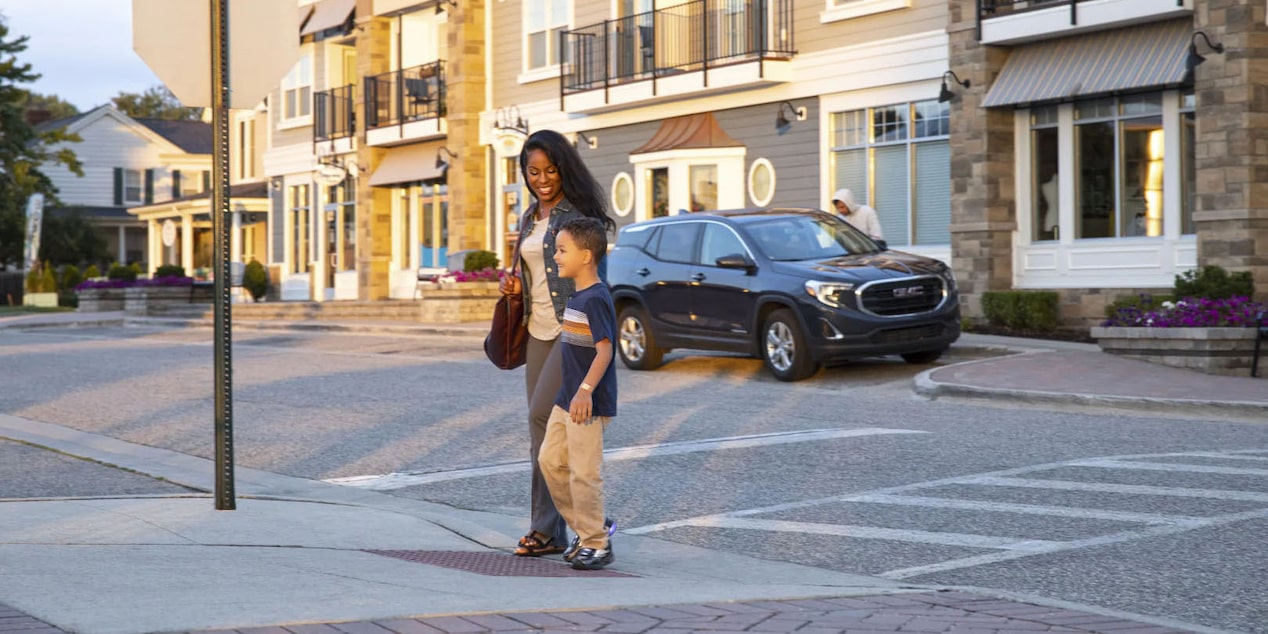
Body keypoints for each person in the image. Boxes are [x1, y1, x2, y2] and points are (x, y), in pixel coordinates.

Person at [498, 129, 615, 557]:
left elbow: (597, 276)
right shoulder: (530, 216)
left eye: (550, 170)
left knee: (541, 415)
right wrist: (516, 285)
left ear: (563, 169)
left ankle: (580, 528)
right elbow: (536, 271)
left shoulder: (578, 215)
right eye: (534, 172)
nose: (542, 178)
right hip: (536, 330)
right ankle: (548, 530)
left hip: (571, 333)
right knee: (539, 429)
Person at [538, 217, 618, 570]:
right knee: (550, 462)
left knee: (584, 473)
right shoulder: (578, 296)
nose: (556, 256)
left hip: (586, 402)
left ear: (586, 256)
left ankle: (597, 543)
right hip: (566, 398)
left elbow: (605, 350)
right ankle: (589, 530)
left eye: (562, 250)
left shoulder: (597, 298)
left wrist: (585, 392)